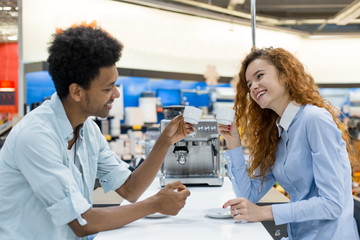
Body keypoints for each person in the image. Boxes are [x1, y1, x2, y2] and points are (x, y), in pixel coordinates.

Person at [0, 23, 192, 240]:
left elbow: (130, 190)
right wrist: (155, 203)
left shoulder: (87, 129)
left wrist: (165, 141)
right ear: (77, 92)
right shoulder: (36, 136)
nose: (116, 95)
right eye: (108, 88)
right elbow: (82, 222)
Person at [219, 47, 359, 240]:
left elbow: (332, 204)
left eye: (260, 76)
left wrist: (265, 212)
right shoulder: (277, 133)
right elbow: (249, 196)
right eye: (249, 83)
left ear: (285, 76)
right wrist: (234, 143)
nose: (253, 87)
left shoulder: (314, 119)